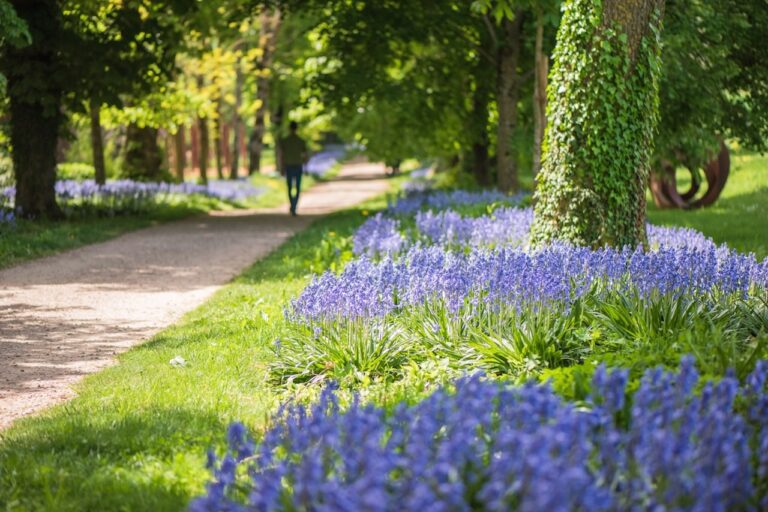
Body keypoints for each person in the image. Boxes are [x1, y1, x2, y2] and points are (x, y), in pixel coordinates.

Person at [279, 121, 308, 216]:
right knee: (297, 188)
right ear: (297, 128)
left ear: (289, 128)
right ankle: (294, 206)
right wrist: (306, 167)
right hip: (297, 166)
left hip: (289, 166)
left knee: (290, 187)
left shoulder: (285, 141)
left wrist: (281, 168)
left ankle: (293, 205)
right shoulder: (301, 141)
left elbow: (282, 156)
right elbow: (304, 156)